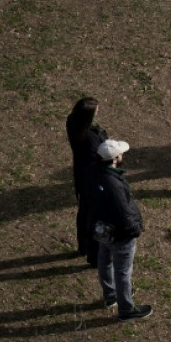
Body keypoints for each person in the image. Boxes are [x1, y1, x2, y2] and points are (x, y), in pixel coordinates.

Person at [89, 139, 153, 322]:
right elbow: (123, 212)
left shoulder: (94, 174)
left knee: (105, 261)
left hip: (103, 229)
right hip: (121, 234)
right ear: (115, 158)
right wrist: (135, 229)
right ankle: (126, 308)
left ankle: (110, 295)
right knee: (123, 271)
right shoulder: (113, 183)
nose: (122, 155)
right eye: (120, 153)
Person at [65, 97, 108, 267]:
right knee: (93, 215)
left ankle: (82, 246)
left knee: (83, 211)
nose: (98, 110)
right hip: (92, 178)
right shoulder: (91, 138)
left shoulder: (72, 122)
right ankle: (92, 252)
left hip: (82, 174)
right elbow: (97, 159)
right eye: (95, 109)